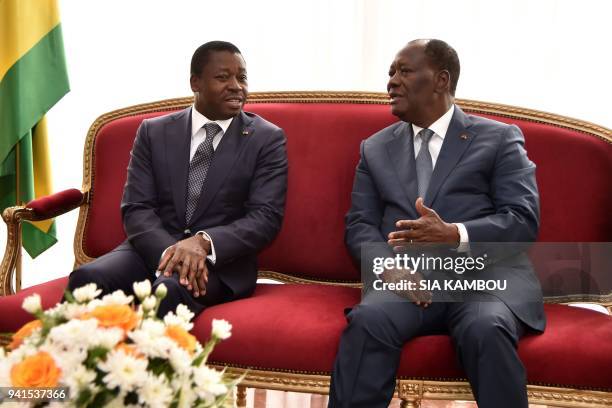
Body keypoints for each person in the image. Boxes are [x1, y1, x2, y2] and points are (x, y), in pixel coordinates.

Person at [328, 39, 544, 408]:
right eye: (391, 73)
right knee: (367, 322)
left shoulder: (499, 138)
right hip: (408, 281)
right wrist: (387, 267)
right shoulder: (375, 148)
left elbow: (522, 220)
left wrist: (455, 234)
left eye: (404, 71)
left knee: (485, 329)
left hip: (484, 280)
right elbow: (360, 225)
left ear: (441, 80)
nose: (392, 82)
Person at [68, 41, 288, 318]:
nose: (236, 86)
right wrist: (171, 254)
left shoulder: (265, 138)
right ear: (195, 82)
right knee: (86, 280)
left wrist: (203, 242)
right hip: (152, 248)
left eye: (242, 77)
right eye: (223, 77)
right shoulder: (154, 132)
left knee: (169, 291)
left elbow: (265, 218)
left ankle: (140, 361)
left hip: (218, 263)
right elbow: (137, 207)